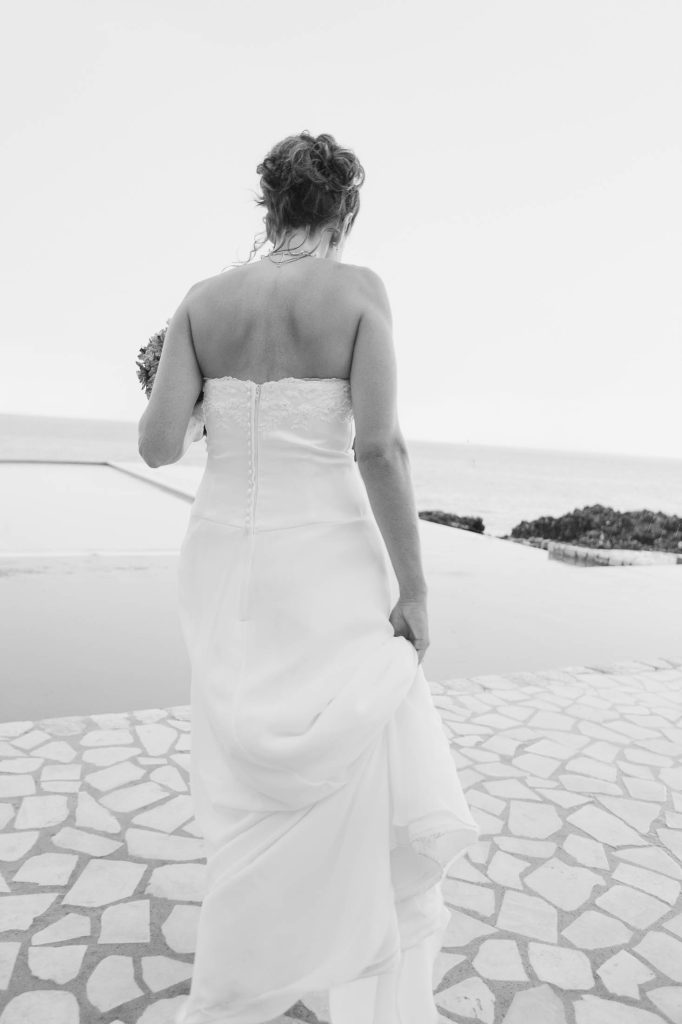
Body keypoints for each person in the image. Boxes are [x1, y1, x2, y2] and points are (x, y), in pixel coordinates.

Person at [138, 131, 479, 1024]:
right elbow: (379, 446)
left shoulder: (202, 302)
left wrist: (189, 388)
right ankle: (344, 959)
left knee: (242, 760)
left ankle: (253, 948)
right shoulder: (361, 293)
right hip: (327, 556)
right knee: (349, 753)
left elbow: (159, 444)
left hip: (223, 558)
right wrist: (416, 588)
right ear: (343, 210)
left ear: (268, 205)